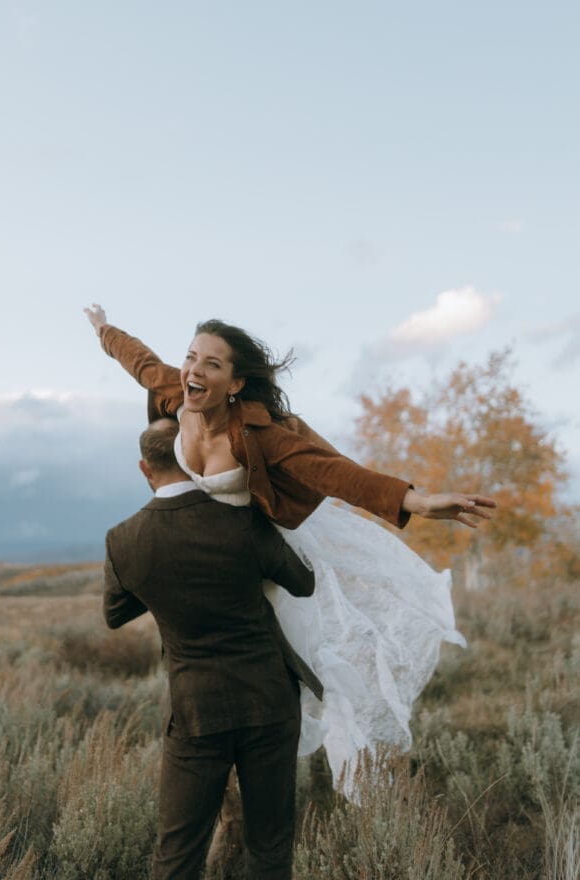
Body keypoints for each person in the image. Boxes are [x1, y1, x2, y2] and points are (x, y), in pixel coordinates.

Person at [87, 304, 495, 792]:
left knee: (295, 655)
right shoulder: (178, 395)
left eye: (211, 364)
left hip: (256, 550)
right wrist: (103, 329)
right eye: (192, 357)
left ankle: (286, 739)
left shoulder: (258, 434)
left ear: (235, 384)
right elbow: (140, 361)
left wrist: (419, 501)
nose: (193, 369)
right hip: (207, 551)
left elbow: (335, 472)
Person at [104, 417, 322, 880]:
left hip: (197, 710)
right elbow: (303, 582)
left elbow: (115, 613)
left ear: (145, 469)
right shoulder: (242, 521)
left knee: (178, 851)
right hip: (270, 699)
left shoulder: (124, 539)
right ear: (190, 454)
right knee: (269, 846)